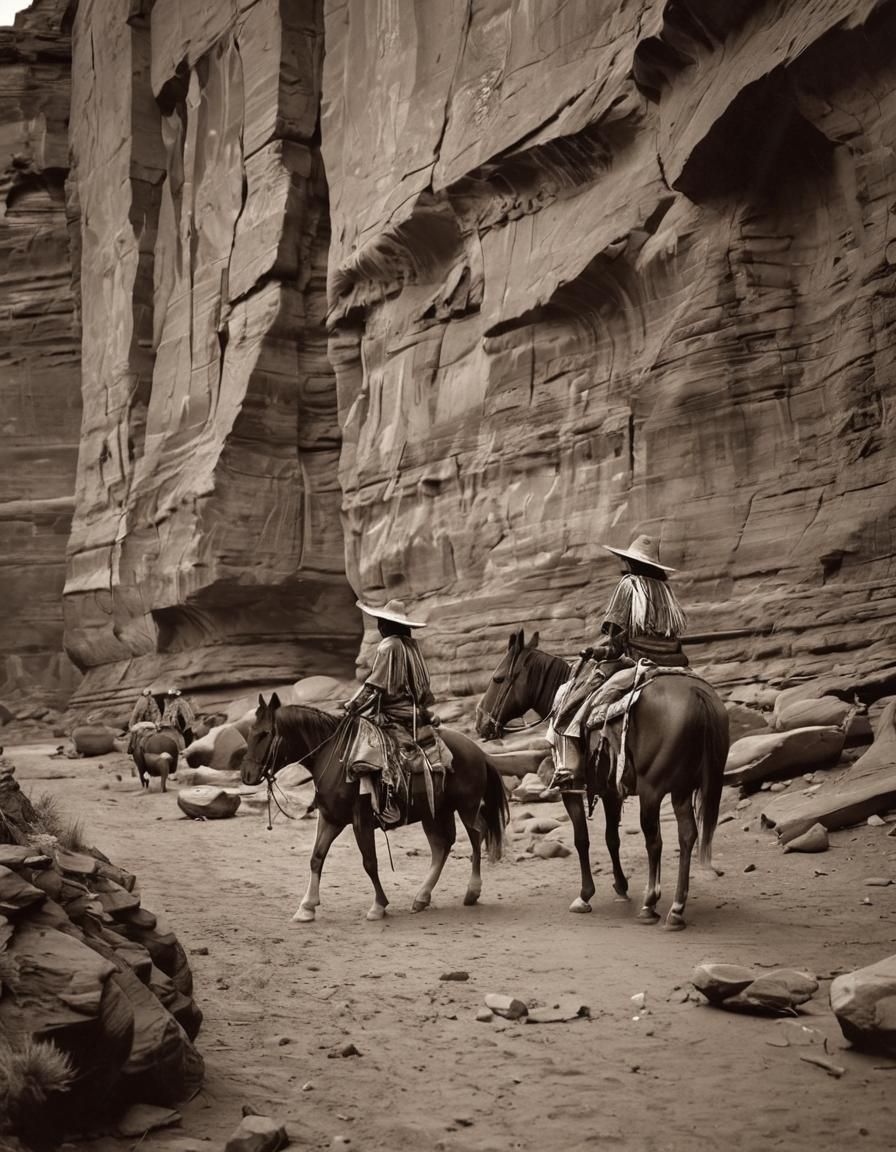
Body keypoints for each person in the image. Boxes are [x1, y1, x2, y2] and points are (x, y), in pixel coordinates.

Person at [548, 533, 688, 792]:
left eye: (626, 561)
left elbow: (615, 645)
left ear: (631, 563)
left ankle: (570, 768)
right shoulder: (665, 592)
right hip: (678, 665)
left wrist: (594, 651)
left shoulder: (629, 586)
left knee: (578, 703)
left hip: (639, 664)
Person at [342, 598, 447, 826]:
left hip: (393, 715)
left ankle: (383, 800)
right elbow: (424, 690)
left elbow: (374, 685)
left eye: (381, 622)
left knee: (366, 747)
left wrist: (352, 706)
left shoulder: (388, 646)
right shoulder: (412, 646)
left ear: (388, 625)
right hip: (415, 712)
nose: (380, 627)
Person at [127, 688, 161, 755]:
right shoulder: (141, 702)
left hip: (153, 723)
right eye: (145, 695)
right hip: (143, 723)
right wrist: (131, 725)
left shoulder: (153, 702)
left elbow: (157, 713)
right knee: (138, 733)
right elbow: (135, 715)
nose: (147, 697)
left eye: (148, 695)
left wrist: (157, 722)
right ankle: (133, 749)